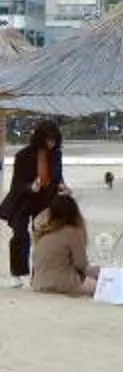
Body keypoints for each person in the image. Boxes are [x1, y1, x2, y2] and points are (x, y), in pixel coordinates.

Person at [3, 120, 66, 286]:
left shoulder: (56, 154)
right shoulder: (23, 155)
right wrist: (31, 186)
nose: (51, 143)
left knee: (44, 236)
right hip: (23, 198)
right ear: (40, 138)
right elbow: (16, 183)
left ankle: (38, 274)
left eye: (54, 139)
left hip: (45, 199)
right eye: (48, 139)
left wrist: (61, 185)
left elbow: (57, 176)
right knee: (20, 234)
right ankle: (17, 273)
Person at [27, 192, 95, 298]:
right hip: (62, 282)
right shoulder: (72, 232)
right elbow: (81, 264)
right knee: (99, 286)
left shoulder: (43, 231)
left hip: (39, 283)